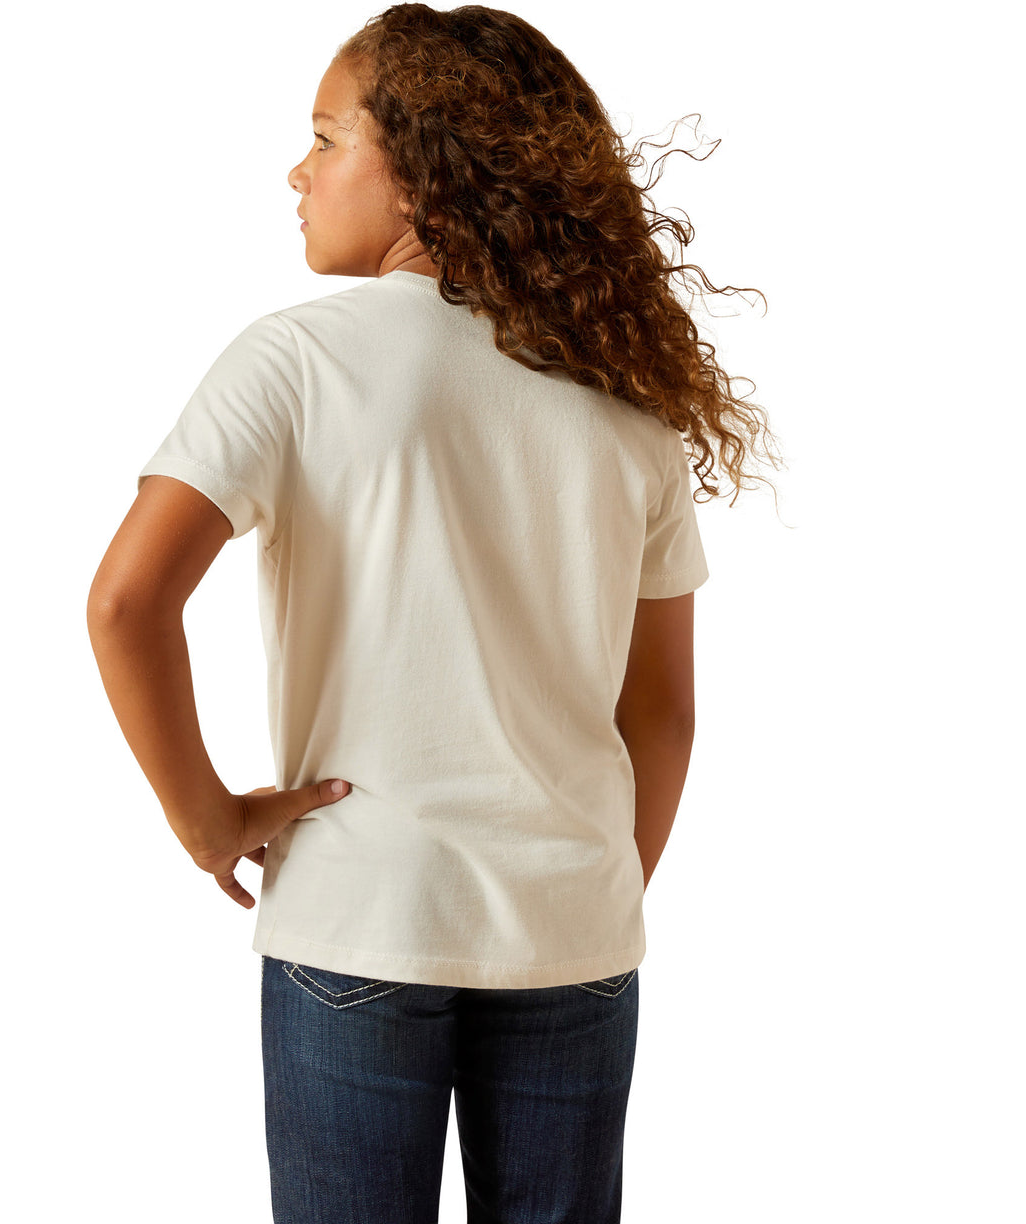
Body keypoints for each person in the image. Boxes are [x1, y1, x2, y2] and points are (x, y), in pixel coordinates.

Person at [87, 4, 782, 1220]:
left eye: (325, 138)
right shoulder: (625, 400)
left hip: (361, 910)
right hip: (572, 929)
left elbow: (127, 602)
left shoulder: (298, 359)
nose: (297, 172)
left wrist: (208, 824)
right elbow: (664, 711)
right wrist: (593, 889)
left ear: (419, 172)